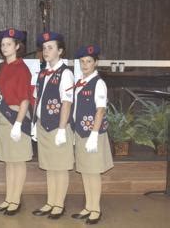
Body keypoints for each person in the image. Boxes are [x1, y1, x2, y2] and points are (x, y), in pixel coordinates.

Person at [31, 31, 74, 219]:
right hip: (43, 125)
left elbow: (67, 102)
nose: (46, 51)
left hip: (58, 127)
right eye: (44, 48)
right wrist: (34, 123)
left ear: (60, 51)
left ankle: (59, 204)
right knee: (49, 166)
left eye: (51, 48)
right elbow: (37, 99)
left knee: (60, 166)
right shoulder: (42, 73)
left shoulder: (65, 73)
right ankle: (50, 201)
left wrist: (62, 129)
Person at [0, 28, 33, 216]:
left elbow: (25, 99)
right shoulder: (2, 68)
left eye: (9, 44)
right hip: (1, 117)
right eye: (2, 44)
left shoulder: (22, 68)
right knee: (8, 161)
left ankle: (16, 200)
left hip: (16, 116)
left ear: (17, 46)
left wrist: (18, 123)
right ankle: (8, 198)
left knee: (18, 161)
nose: (4, 47)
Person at [70, 45, 113, 225]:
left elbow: (100, 110)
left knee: (93, 173)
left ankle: (95, 209)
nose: (85, 64)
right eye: (82, 61)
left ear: (96, 63)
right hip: (81, 133)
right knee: (86, 172)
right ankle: (88, 206)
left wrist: (94, 134)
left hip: (93, 134)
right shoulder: (81, 82)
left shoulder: (98, 83)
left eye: (89, 61)